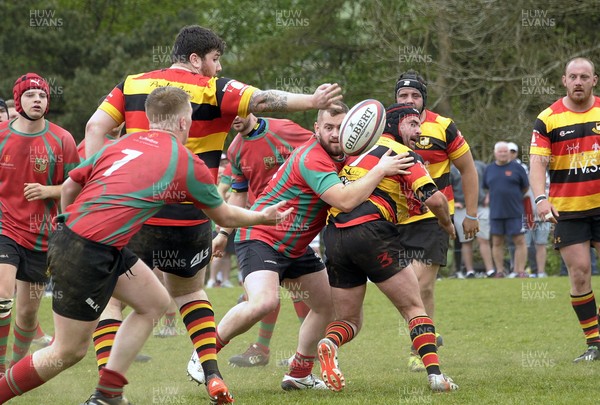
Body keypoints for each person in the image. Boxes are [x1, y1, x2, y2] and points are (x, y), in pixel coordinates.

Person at [84, 24, 343, 394]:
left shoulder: (132, 84)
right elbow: (265, 100)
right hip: (189, 214)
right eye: (215, 59)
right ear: (195, 59)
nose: (218, 67)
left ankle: (107, 387)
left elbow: (95, 126)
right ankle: (210, 371)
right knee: (190, 294)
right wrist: (312, 101)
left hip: (134, 213)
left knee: (114, 300)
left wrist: (102, 182)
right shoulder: (215, 90)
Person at [0, 86, 293, 405]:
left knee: (154, 301)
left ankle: (108, 393)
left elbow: (71, 184)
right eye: (191, 119)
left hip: (85, 242)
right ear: (184, 122)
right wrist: (264, 217)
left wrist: (69, 222)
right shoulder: (185, 160)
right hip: (85, 250)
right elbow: (224, 215)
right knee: (67, 350)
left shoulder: (123, 142)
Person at [214, 102, 414, 391]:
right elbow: (344, 200)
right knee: (264, 303)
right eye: (328, 127)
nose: (335, 134)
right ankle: (204, 353)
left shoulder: (337, 151)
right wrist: (381, 169)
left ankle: (299, 373)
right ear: (316, 129)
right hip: (262, 235)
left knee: (327, 307)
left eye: (340, 127)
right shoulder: (312, 157)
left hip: (295, 248)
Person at [318, 103, 458, 393]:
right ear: (391, 125)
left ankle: (328, 343)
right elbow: (434, 199)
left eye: (420, 124)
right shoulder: (402, 153)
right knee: (414, 307)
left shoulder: (352, 155)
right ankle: (436, 376)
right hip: (371, 231)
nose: (419, 130)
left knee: (348, 319)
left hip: (333, 237)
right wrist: (446, 223)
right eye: (412, 124)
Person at [393, 70, 479, 371]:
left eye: (415, 95)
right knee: (408, 287)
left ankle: (419, 350)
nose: (409, 100)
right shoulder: (385, 127)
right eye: (403, 95)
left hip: (435, 215)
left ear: (423, 99)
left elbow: (468, 170)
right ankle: (428, 333)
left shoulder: (443, 127)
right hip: (395, 218)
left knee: (420, 284)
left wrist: (470, 213)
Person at [214, 113, 314, 370]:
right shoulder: (235, 148)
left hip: (299, 222)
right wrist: (224, 233)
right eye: (228, 113)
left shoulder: (284, 130)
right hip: (263, 227)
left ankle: (305, 349)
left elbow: (321, 151)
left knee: (302, 292)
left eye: (238, 110)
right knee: (267, 293)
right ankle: (261, 348)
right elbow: (239, 194)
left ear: (249, 106)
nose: (233, 117)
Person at [0, 73, 79, 377]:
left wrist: (49, 191)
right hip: (5, 226)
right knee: (3, 295)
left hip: (42, 235)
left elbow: (77, 186)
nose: (37, 100)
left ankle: (16, 369)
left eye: (43, 96)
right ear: (17, 100)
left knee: (28, 311)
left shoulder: (62, 139)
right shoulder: (2, 135)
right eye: (31, 95)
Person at [529, 56, 600, 362]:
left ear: (594, 81)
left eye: (585, 77)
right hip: (568, 210)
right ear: (564, 80)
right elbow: (537, 164)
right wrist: (540, 198)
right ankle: (594, 344)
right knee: (580, 274)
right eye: (573, 77)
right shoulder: (548, 118)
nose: (579, 82)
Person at [483, 141, 529, 278]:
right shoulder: (489, 169)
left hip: (515, 211)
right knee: (497, 242)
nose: (503, 154)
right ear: (495, 153)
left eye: (505, 151)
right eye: (500, 151)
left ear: (509, 153)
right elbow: (487, 187)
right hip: (496, 212)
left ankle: (519, 271)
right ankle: (500, 271)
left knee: (520, 241)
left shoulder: (518, 168)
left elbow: (525, 187)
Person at [450, 162, 495, 278]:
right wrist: (454, 203)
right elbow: (446, 188)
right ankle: (470, 272)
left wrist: (488, 196)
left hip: (480, 207)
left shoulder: (480, 166)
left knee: (483, 239)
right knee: (466, 241)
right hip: (462, 209)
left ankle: (490, 271)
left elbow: (491, 181)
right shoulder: (452, 169)